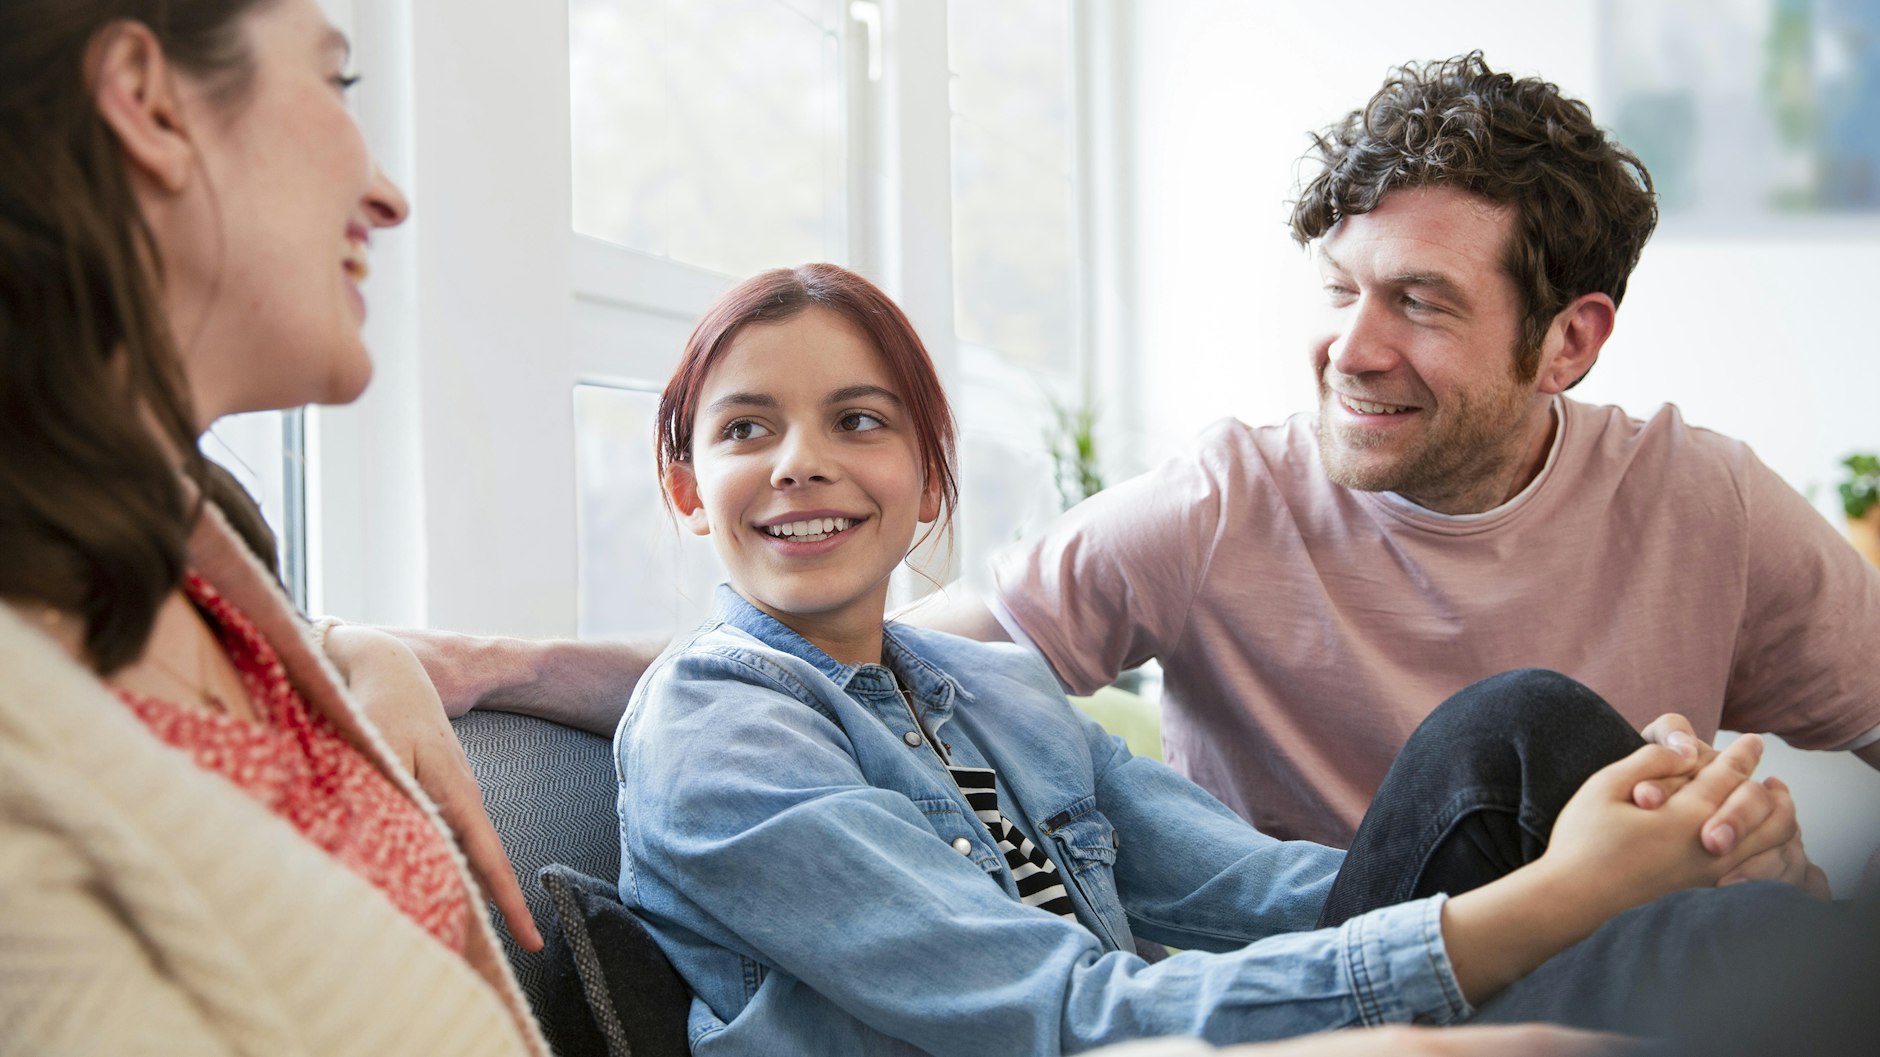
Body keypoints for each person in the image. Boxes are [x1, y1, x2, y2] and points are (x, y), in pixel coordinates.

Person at [395, 53, 1876, 874]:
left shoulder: (1705, 502)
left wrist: (1741, 848)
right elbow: (851, 661)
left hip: (1617, 987)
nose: (1350, 348)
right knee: (1528, 732)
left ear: (1568, 342)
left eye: (1420, 304)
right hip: (1323, 988)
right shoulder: (1220, 508)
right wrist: (493, 662)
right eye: (1339, 289)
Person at [613, 262, 1838, 1057]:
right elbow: (1061, 1016)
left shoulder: (990, 688)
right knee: (1702, 937)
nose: (800, 461)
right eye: (746, 429)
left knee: (1531, 746)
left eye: (857, 420)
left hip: (1163, 1034)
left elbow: (1265, 893)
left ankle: (1737, 891)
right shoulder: (717, 725)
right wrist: (1554, 898)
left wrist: (1601, 860)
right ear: (685, 489)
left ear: (927, 480)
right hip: (1104, 1041)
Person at [0, 2, 543, 1052]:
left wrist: (348, 648)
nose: (388, 197)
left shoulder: (205, 582)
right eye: (337, 84)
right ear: (149, 103)